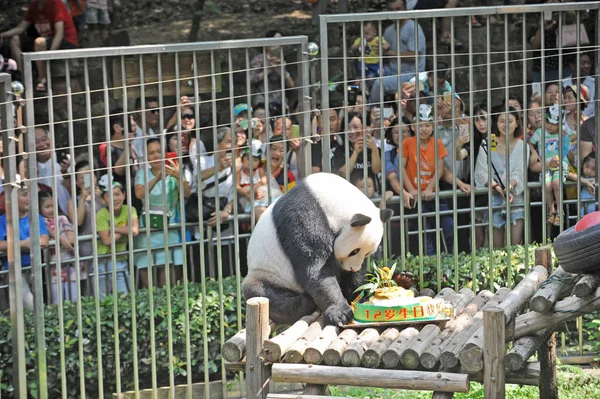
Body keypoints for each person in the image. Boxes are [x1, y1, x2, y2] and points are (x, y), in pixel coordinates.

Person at [134, 138, 191, 289]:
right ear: (146, 156)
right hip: (148, 230)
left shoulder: (174, 171)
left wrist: (180, 177)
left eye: (159, 152)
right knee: (149, 285)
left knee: (168, 283)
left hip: (169, 229)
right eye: (151, 153)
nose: (155, 156)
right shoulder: (141, 174)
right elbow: (139, 194)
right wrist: (157, 178)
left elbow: (186, 194)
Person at [474, 107, 533, 248]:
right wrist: (499, 188)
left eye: (510, 121)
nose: (505, 125)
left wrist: (509, 186)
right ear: (496, 123)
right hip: (494, 198)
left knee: (515, 247)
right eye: (501, 121)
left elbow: (519, 173)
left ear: (517, 123)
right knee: (496, 248)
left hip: (515, 199)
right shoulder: (488, 143)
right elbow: (482, 172)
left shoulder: (522, 146)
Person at [401, 104, 454, 255]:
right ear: (414, 127)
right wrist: (411, 189)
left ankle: (451, 257)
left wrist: (430, 187)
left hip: (434, 195)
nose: (424, 129)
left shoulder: (436, 143)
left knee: (449, 225)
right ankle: (430, 262)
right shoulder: (407, 143)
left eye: (427, 125)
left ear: (432, 126)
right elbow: (401, 167)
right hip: (418, 197)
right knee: (427, 232)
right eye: (420, 125)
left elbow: (440, 169)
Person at [0, 0, 79, 92]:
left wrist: (51, 54)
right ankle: (21, 75)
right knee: (15, 39)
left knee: (39, 42)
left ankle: (42, 79)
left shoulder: (55, 4)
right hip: (44, 40)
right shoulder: (34, 5)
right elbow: (21, 28)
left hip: (65, 41)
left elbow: (59, 33)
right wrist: (2, 35)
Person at [368, 0, 426, 104]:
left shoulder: (413, 27)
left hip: (411, 75)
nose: (395, 13)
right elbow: (383, 53)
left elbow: (414, 56)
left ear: (405, 9)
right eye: (391, 10)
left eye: (398, 9)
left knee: (379, 84)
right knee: (367, 78)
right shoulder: (389, 30)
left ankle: (371, 112)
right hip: (391, 70)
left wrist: (388, 52)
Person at [0, 187, 49, 310]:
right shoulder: (2, 220)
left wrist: (13, 244)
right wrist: (23, 244)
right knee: (31, 306)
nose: (28, 198)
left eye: (30, 195)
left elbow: (44, 241)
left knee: (40, 306)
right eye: (24, 195)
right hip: (13, 270)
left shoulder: (36, 217)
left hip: (36, 269)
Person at [529, 104, 575, 226]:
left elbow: (573, 137)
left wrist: (574, 131)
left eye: (554, 123)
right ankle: (551, 210)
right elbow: (530, 142)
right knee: (547, 184)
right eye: (547, 121)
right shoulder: (540, 132)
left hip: (560, 163)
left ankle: (560, 212)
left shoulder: (563, 132)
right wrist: (533, 152)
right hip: (546, 165)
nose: (549, 125)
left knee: (556, 183)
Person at [96, 176, 138, 298]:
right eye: (110, 196)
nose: (115, 199)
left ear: (124, 195)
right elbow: (107, 240)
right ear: (104, 200)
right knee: (102, 300)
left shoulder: (130, 210)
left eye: (117, 194)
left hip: (120, 260)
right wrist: (126, 229)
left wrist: (114, 229)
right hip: (102, 262)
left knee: (125, 298)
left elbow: (134, 230)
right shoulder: (101, 215)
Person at [67, 160, 101, 296]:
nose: (85, 178)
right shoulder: (72, 201)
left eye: (89, 174)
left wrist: (100, 198)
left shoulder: (105, 195)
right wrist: (82, 198)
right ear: (76, 181)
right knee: (91, 291)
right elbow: (78, 221)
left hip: (106, 247)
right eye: (81, 176)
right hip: (86, 252)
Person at [39, 190, 78, 303]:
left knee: (74, 298)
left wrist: (64, 240)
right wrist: (60, 238)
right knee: (56, 301)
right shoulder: (40, 221)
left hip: (69, 263)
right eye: (47, 207)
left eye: (54, 206)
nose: (51, 209)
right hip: (52, 267)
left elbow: (71, 239)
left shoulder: (62, 218)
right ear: (40, 208)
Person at [250, 30, 296, 113]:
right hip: (262, 101)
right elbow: (251, 79)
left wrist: (283, 70)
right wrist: (269, 69)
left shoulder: (283, 59)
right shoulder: (259, 59)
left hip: (280, 102)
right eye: (276, 40)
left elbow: (291, 85)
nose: (279, 44)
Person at [332, 112, 381, 187]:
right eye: (348, 128)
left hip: (371, 194)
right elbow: (343, 174)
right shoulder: (340, 150)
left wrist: (374, 150)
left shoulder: (372, 148)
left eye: (356, 127)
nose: (352, 131)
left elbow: (376, 170)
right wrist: (355, 152)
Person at [35, 126, 71, 217]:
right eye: (36, 142)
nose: (42, 144)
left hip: (68, 215)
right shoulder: (28, 166)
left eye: (44, 139)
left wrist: (65, 173)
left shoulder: (64, 160)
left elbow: (77, 189)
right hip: (42, 219)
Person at [383, 118, 415, 209]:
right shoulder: (387, 155)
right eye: (396, 132)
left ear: (411, 132)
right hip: (398, 203)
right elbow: (392, 177)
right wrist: (404, 193)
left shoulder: (420, 150)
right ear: (391, 135)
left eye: (404, 131)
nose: (401, 135)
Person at [236, 140, 271, 221]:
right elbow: (237, 187)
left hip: (261, 195)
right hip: (247, 198)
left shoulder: (260, 171)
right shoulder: (239, 173)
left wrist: (255, 189)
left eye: (255, 160)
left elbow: (264, 181)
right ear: (242, 158)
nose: (252, 162)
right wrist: (246, 194)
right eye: (248, 158)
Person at [563, 52, 595, 118]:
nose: (587, 66)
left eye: (588, 63)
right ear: (572, 66)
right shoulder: (563, 84)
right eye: (583, 63)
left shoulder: (595, 84)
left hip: (590, 123)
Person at [580, 152, 596, 216]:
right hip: (584, 214)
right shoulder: (581, 178)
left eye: (594, 169)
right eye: (587, 166)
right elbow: (568, 175)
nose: (589, 171)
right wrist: (586, 182)